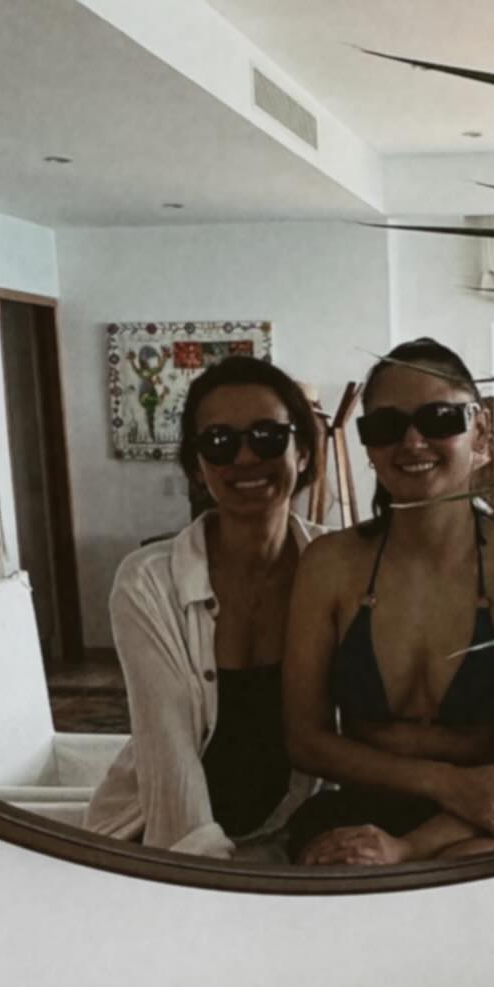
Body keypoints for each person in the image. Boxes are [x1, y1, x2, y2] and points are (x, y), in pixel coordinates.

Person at [283, 338, 494, 867]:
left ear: (479, 430)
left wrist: (406, 849)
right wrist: (442, 781)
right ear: (368, 445)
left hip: (485, 816)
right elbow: (304, 738)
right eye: (386, 426)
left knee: (472, 867)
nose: (412, 441)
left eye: (439, 419)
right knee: (344, 870)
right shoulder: (330, 566)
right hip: (362, 807)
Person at [85, 356, 322, 858]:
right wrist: (209, 877)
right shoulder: (148, 582)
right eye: (218, 442)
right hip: (161, 844)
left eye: (267, 437)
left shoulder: (338, 567)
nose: (245, 457)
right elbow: (168, 756)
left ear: (302, 451)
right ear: (197, 466)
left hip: (292, 836)